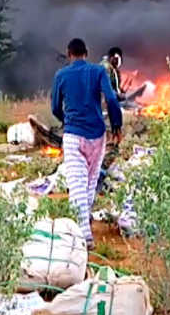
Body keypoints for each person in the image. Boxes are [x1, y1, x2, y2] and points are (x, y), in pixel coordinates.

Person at [51, 38, 122, 250]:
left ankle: (84, 235)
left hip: (73, 135)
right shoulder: (98, 71)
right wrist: (116, 125)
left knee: (77, 185)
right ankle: (85, 223)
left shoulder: (61, 75)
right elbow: (110, 99)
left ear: (68, 53)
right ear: (86, 53)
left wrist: (67, 120)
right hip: (97, 136)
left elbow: (55, 107)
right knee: (90, 182)